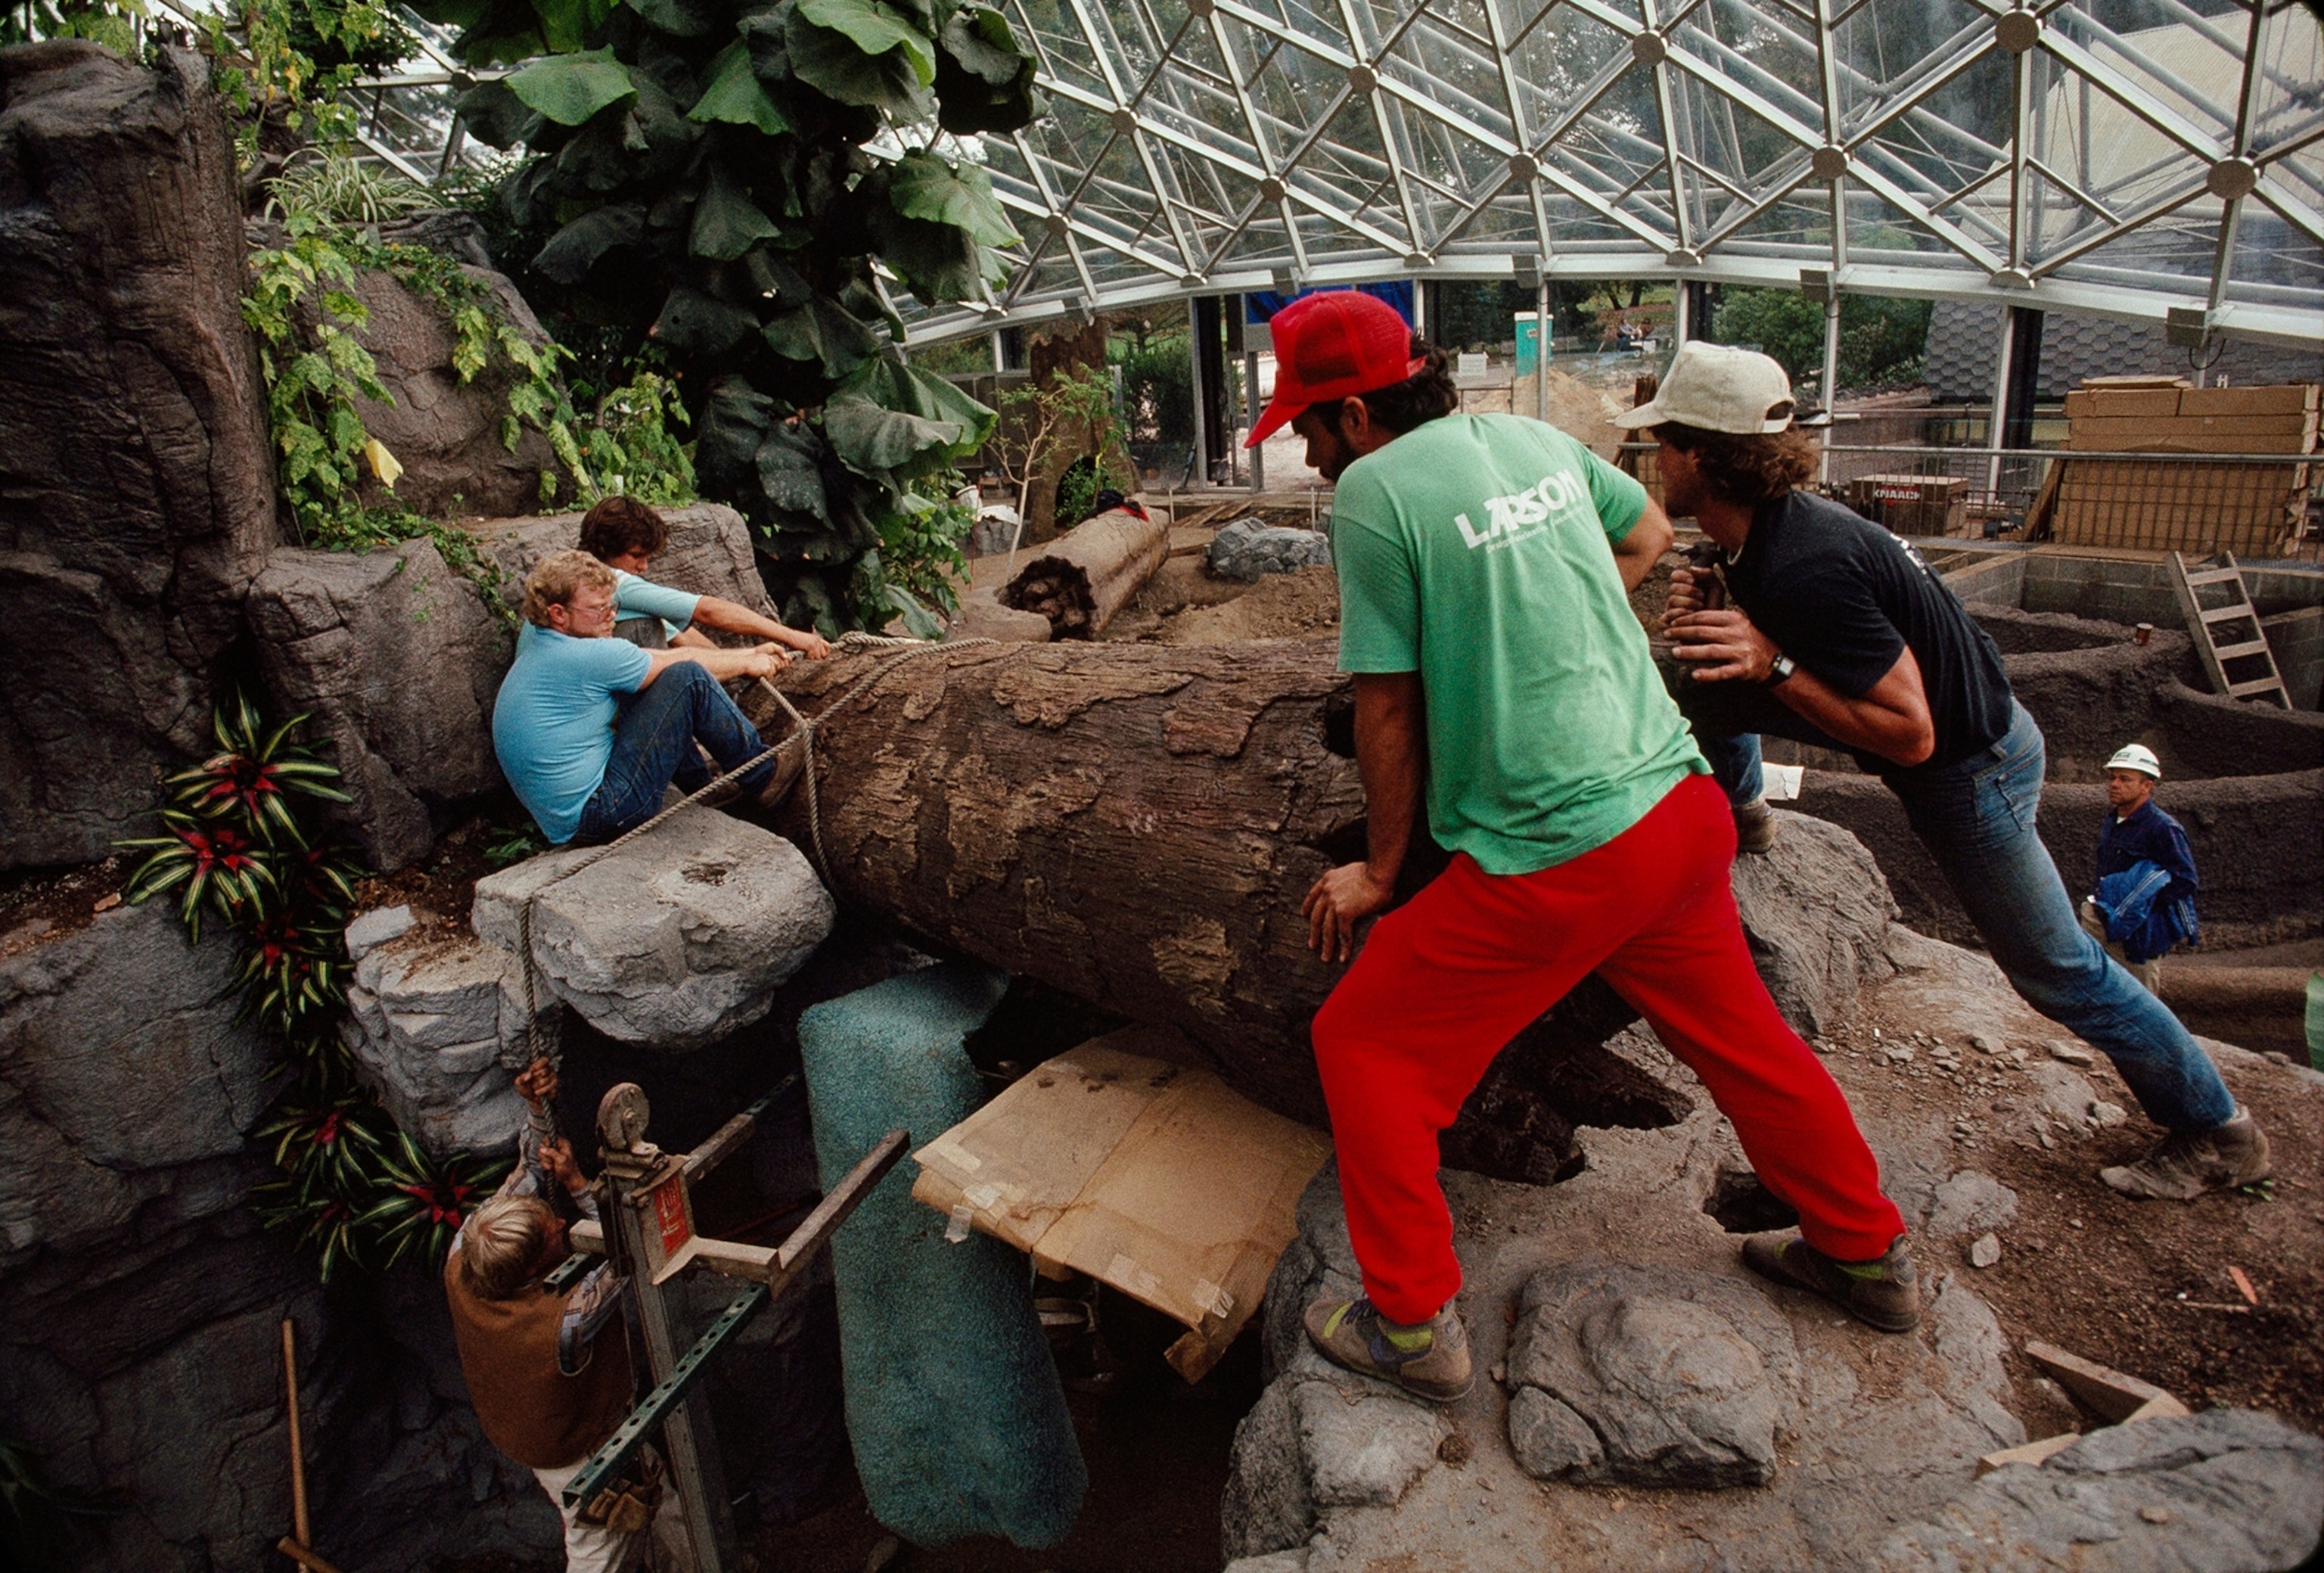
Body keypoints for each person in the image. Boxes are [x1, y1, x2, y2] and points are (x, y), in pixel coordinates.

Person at [1271, 291, 1918, 1405]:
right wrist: (1551, 612)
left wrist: (1380, 872)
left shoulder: (1376, 492)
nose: (1303, 449)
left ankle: (1413, 1321)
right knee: (1746, 1041)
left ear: (1358, 413)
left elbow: (1384, 705)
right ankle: (1865, 1250)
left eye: (1306, 427)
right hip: (1675, 810)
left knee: (1365, 1041)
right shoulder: (1526, 435)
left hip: (1556, 854)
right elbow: (1647, 534)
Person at [1639, 340, 2269, 1204]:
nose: (1653, 457)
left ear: (1703, 456)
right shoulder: (1763, 534)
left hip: (1971, 772)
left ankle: (2217, 1129)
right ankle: (1744, 812)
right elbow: (1755, 656)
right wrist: (1720, 618)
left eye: (1664, 442)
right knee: (1699, 675)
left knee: (2058, 969)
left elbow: (1910, 737)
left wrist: (1772, 663)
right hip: (1960, 739)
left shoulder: (1807, 564)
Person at [446, 1059, 680, 1571]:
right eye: (554, 1233)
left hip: (533, 1431)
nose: (558, 1221)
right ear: (533, 1269)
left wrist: (536, 1108)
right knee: (600, 1549)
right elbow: (635, 1252)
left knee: (654, 1496)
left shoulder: (466, 1249)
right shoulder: (566, 1323)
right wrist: (578, 1184)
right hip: (578, 1451)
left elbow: (529, 1172)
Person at [493, 551, 798, 846]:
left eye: (612, 605)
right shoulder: (586, 655)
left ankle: (701, 787)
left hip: (568, 820)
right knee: (687, 677)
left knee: (647, 683)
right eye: (599, 609)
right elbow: (681, 666)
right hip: (600, 814)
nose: (611, 617)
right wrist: (747, 662)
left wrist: (749, 653)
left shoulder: (545, 647)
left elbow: (652, 662)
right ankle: (765, 777)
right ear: (558, 614)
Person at [577, 495, 831, 658]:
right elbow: (707, 611)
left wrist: (744, 664)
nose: (644, 567)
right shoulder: (610, 583)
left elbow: (679, 634)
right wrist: (793, 636)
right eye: (636, 555)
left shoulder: (591, 576)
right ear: (605, 548)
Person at [2081, 743, 2198, 999]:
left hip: (2138, 933)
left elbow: (2185, 880)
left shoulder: (2163, 828)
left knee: (2138, 1001)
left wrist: (2140, 905)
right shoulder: (2113, 820)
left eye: (2125, 779)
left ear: (2147, 786)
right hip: (2103, 919)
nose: (2114, 784)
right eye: (2112, 777)